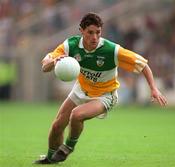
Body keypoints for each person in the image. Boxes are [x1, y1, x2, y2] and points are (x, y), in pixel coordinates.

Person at [34, 12, 167, 164]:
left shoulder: (112, 50)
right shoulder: (70, 46)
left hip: (105, 95)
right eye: (90, 32)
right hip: (81, 90)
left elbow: (143, 65)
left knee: (76, 115)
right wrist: (54, 62)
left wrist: (153, 88)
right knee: (57, 125)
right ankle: (50, 159)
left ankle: (68, 147)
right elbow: (45, 66)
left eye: (98, 33)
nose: (94, 37)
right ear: (81, 31)